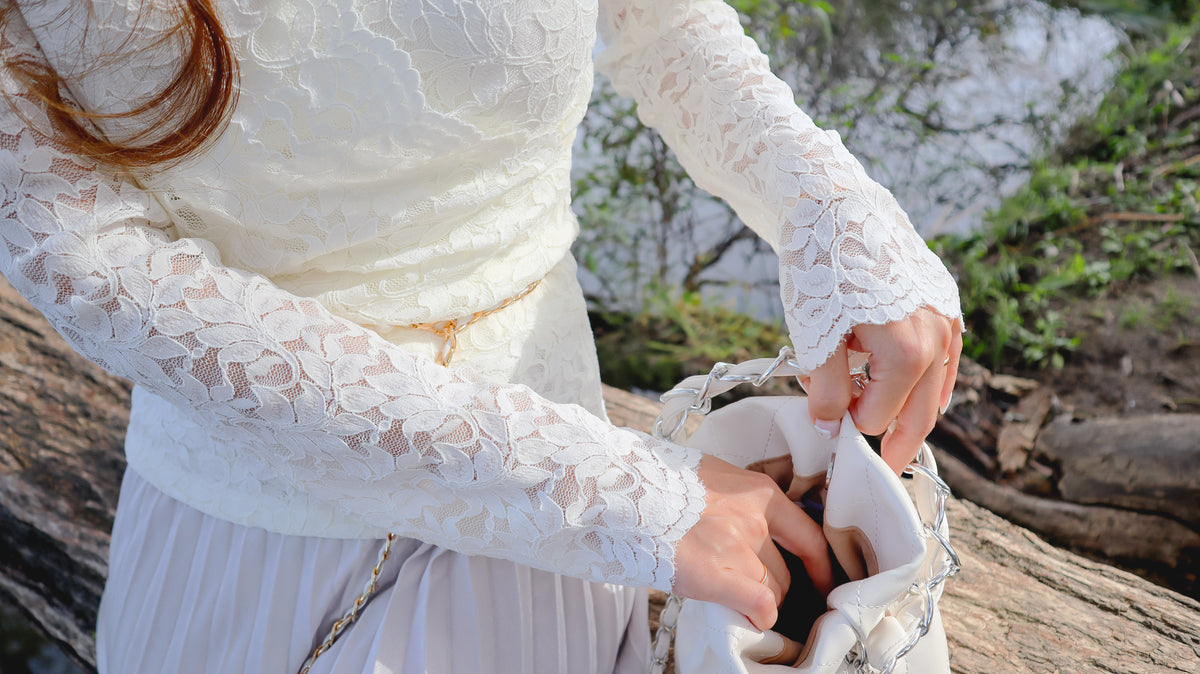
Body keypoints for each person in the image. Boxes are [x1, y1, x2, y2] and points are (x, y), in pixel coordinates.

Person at [0, 0, 962, 671]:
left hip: (567, 528)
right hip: (258, 534)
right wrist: (608, 495)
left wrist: (832, 212)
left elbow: (659, 22)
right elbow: (82, 255)